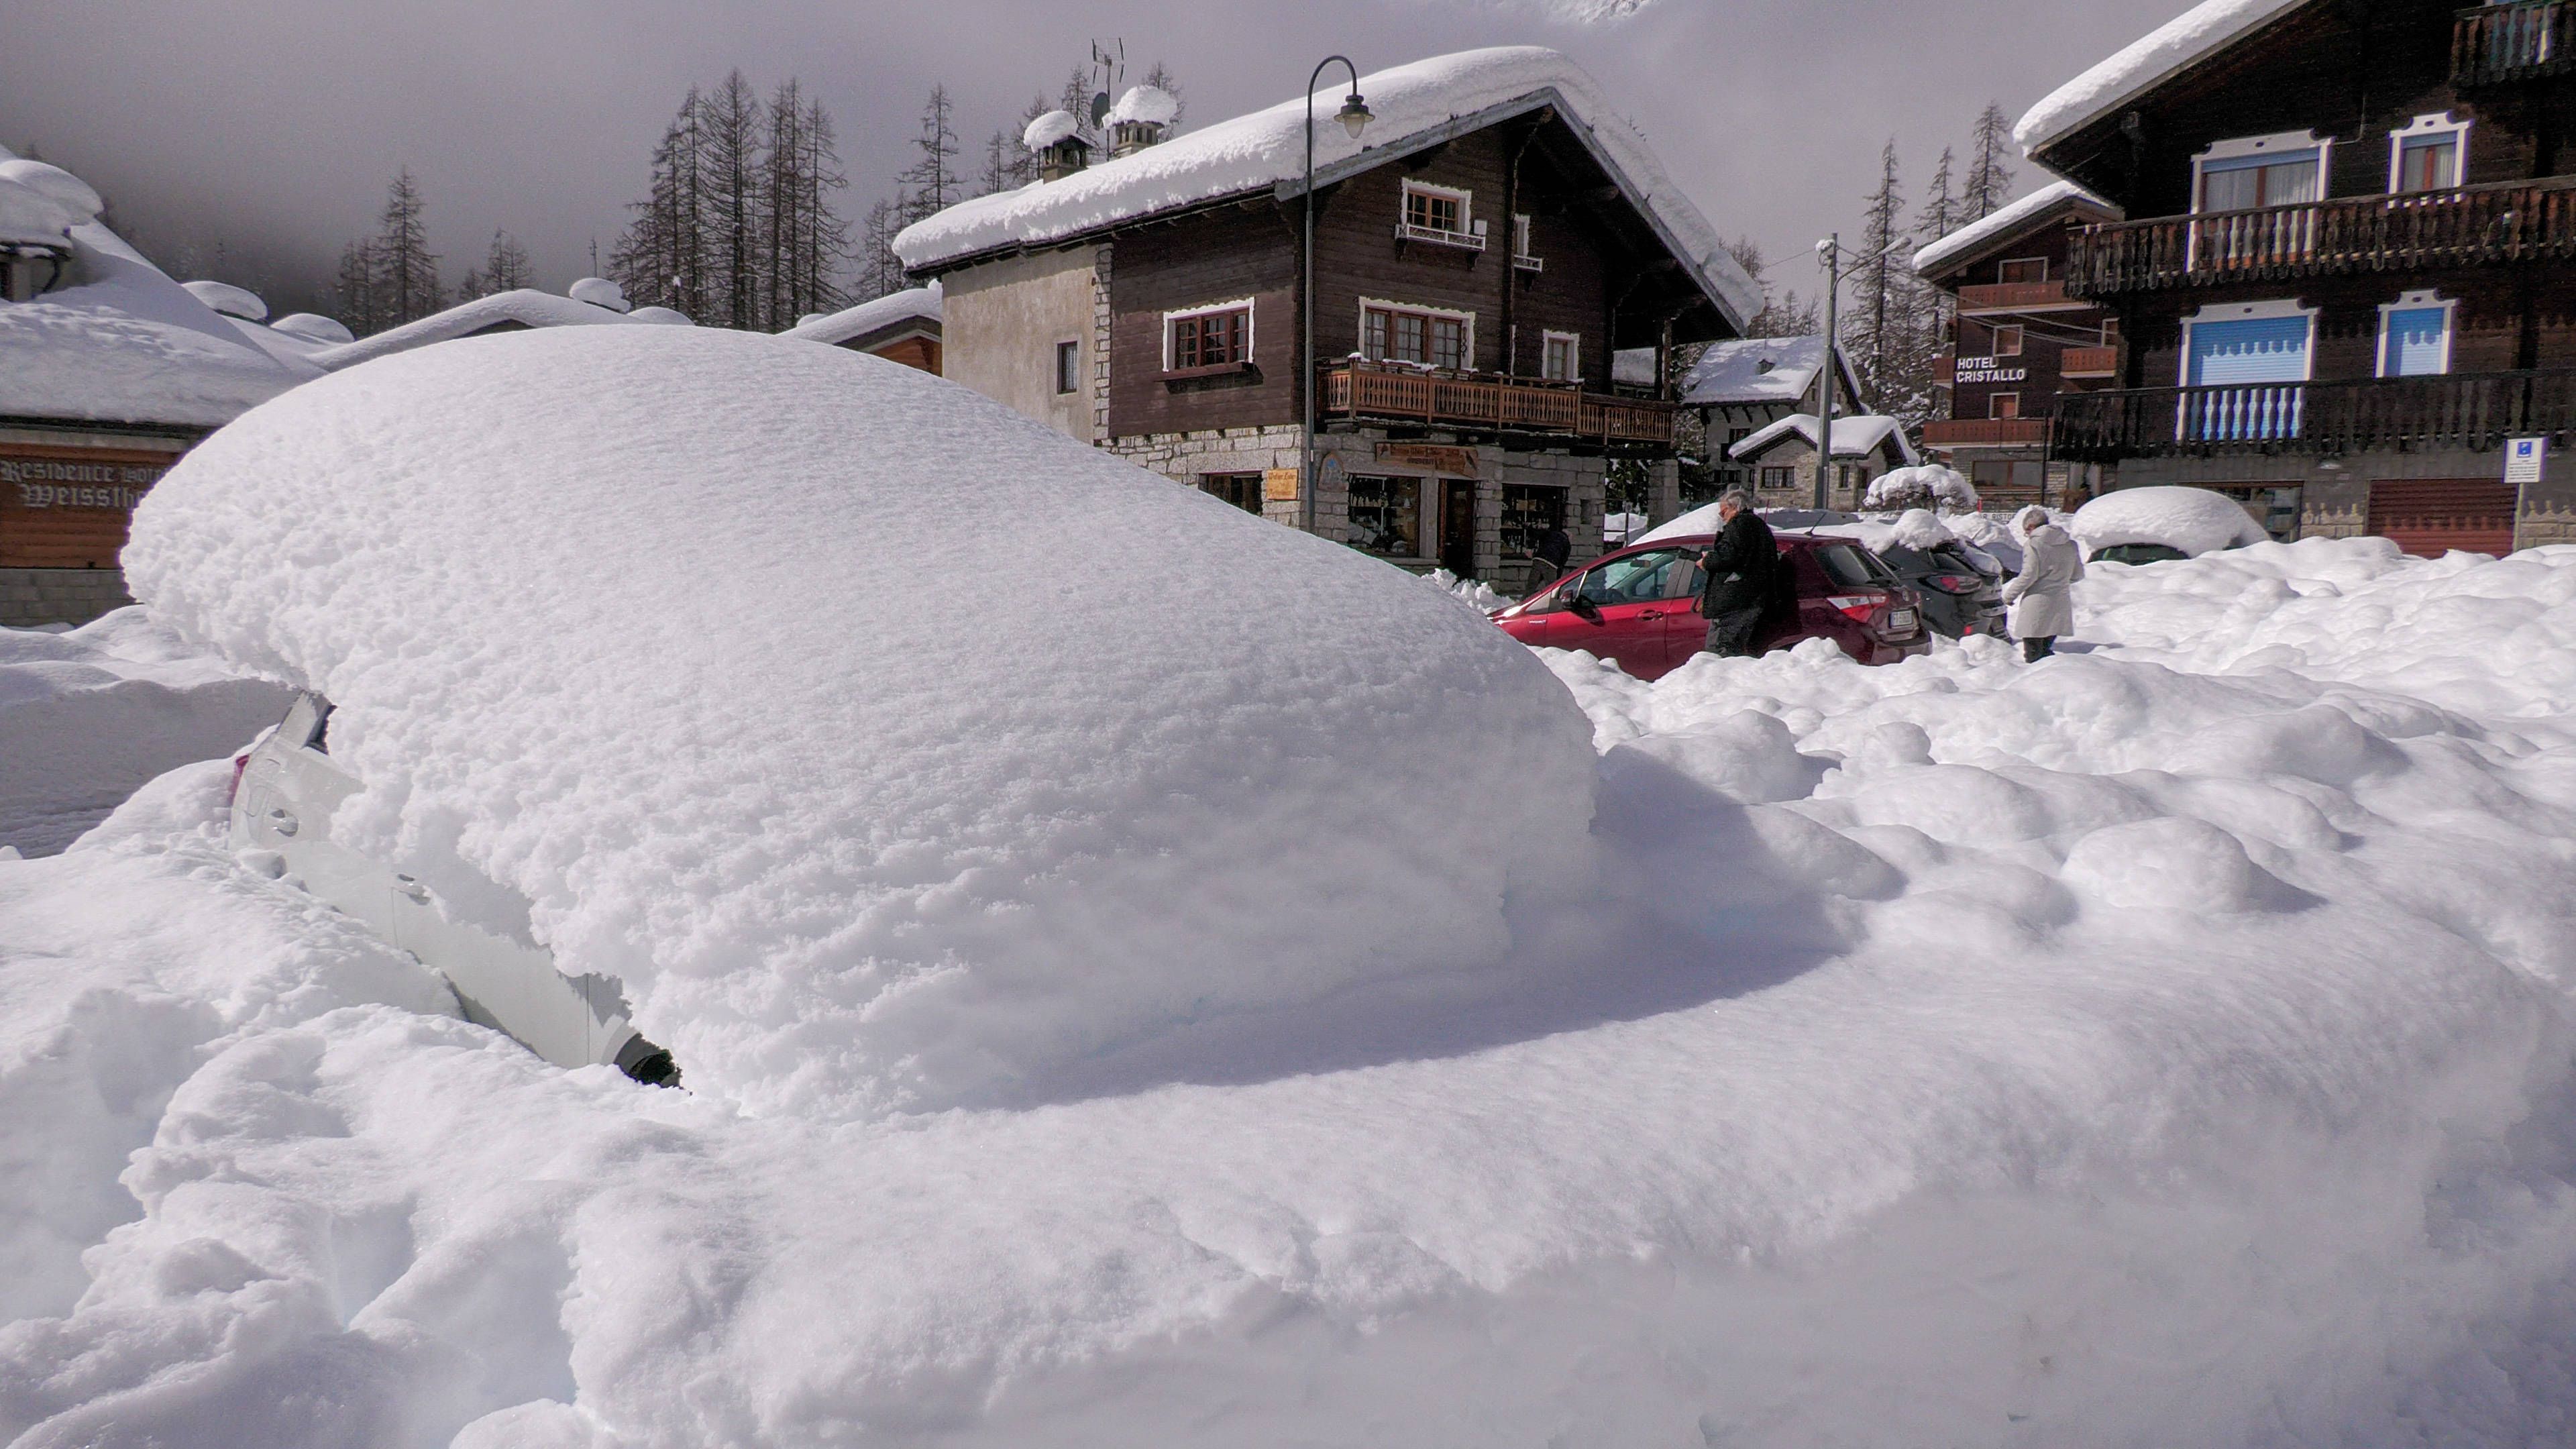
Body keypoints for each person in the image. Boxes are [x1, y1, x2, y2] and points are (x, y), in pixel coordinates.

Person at [1698, 489, 1778, 657]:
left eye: (1723, 511)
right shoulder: (1759, 526)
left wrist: (1707, 561)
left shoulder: (1739, 525)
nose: (1721, 516)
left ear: (1735, 508)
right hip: (1753, 599)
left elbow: (1729, 556)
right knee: (1737, 651)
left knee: (1718, 652)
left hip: (1735, 602)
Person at [2002, 504, 2084, 661]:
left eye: (2027, 531)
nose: (2027, 534)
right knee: (2046, 653)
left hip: (2037, 603)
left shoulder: (2034, 544)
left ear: (2031, 526)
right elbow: (2078, 575)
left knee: (2033, 654)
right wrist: (2060, 580)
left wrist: (2009, 596)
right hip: (2060, 602)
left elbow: (2029, 574)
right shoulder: (2070, 544)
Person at [1527, 522, 1573, 590]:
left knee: (1531, 585)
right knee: (1551, 588)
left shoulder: (1551, 533)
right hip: (1552, 564)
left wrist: (1530, 548)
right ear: (1569, 537)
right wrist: (1558, 578)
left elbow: (1537, 534)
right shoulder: (1567, 544)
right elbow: (1562, 562)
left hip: (1539, 558)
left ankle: (1526, 599)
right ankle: (1550, 599)